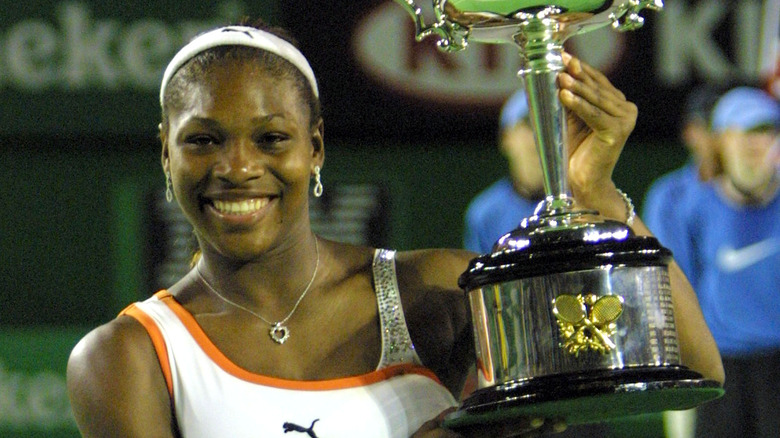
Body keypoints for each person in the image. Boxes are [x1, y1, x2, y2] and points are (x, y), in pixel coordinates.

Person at [65, 19, 724, 438]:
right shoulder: (127, 357)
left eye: (272, 138)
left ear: (315, 148)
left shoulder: (430, 291)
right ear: (165, 154)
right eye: (204, 139)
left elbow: (689, 366)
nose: (238, 167)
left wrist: (596, 193)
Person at [647, 86, 779, 438]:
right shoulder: (685, 205)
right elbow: (674, 292)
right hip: (720, 369)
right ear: (721, 141)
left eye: (766, 131)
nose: (755, 145)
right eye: (743, 134)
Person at [642, 84, 722, 293]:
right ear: (690, 133)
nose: (719, 140)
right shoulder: (668, 196)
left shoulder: (764, 196)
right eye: (712, 128)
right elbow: (668, 280)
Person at [463, 88, 543, 254]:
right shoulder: (485, 213)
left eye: (552, 122)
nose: (541, 135)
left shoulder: (586, 203)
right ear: (506, 138)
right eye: (529, 124)